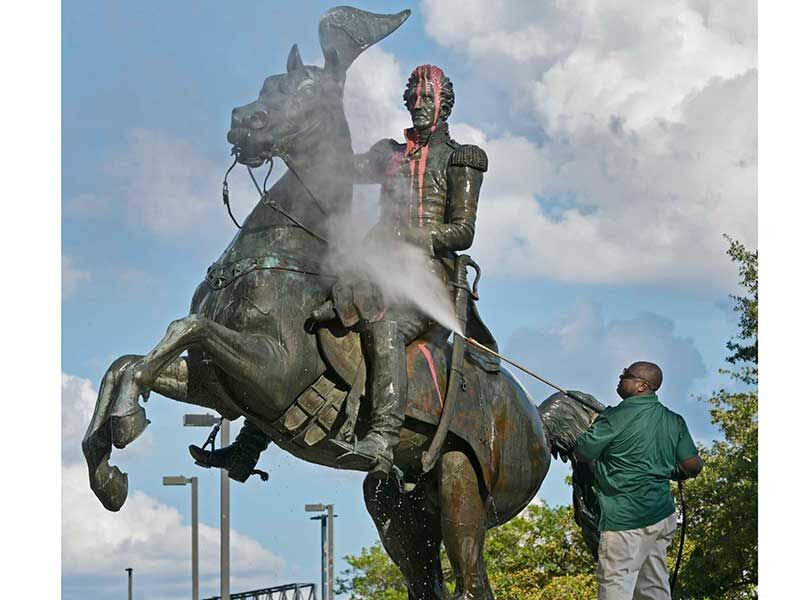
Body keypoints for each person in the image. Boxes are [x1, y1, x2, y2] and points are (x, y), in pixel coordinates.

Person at [191, 64, 488, 479]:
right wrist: (290, 138)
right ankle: (248, 445)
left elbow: (463, 232)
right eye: (414, 99)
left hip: (426, 277)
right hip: (376, 268)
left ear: (445, 104)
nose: (419, 106)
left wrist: (407, 236)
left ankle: (382, 438)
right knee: (296, 323)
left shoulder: (462, 159)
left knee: (385, 328)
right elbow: (337, 169)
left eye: (427, 99)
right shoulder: (388, 155)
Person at [574, 361, 703, 600]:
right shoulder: (674, 420)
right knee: (654, 587)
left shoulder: (615, 416)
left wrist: (597, 425)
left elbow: (583, 452)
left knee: (616, 584)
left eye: (626, 375)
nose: (620, 377)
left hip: (625, 518)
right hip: (661, 515)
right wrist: (669, 470)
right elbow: (692, 466)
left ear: (642, 386)